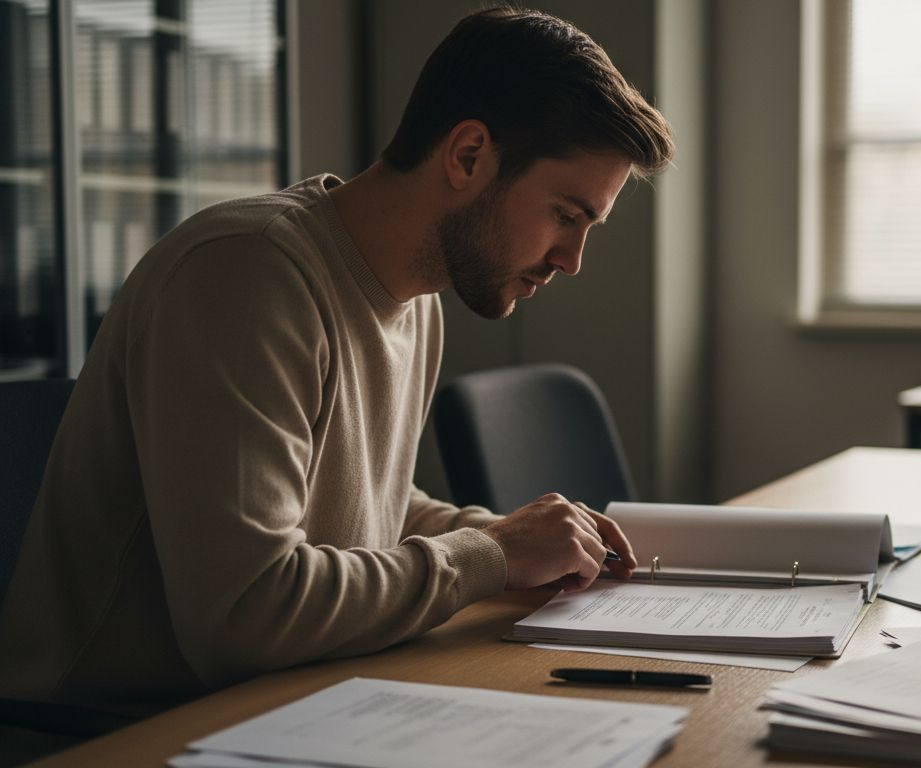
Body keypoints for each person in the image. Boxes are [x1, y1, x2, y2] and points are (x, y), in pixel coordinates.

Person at [0, 6, 674, 719]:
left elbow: (366, 510)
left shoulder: (416, 301)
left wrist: (518, 539)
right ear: (469, 155)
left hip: (286, 701)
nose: (572, 261)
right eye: (566, 216)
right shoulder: (244, 273)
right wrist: (493, 554)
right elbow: (244, 616)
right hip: (106, 730)